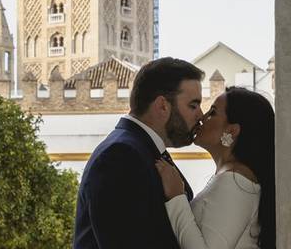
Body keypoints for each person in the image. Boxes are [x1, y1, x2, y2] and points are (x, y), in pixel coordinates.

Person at [73, 58, 205, 249]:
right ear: (162, 106)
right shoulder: (119, 156)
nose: (200, 115)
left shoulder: (139, 148)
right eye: (193, 105)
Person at [155, 87, 276, 249]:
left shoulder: (234, 182)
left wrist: (177, 198)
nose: (201, 117)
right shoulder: (233, 176)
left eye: (212, 113)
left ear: (231, 131)